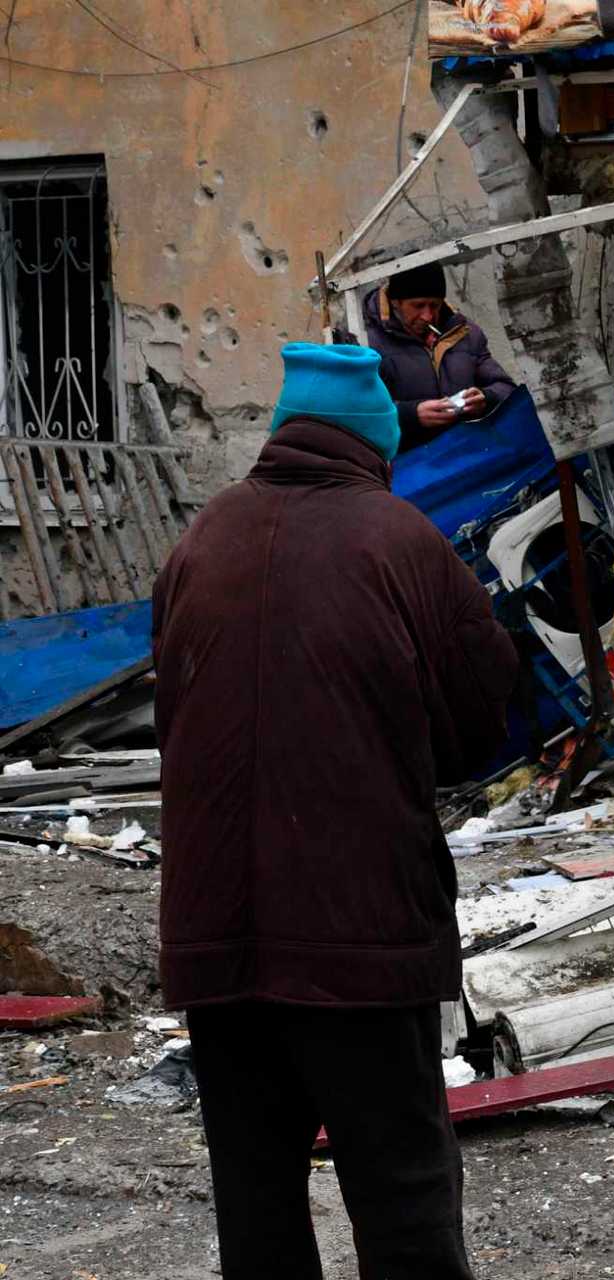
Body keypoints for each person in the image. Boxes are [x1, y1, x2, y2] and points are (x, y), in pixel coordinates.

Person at [152, 343, 519, 1279]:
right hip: (363, 942)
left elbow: (176, 722)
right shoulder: (403, 542)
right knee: (402, 1207)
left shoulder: (200, 542)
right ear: (376, 443)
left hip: (217, 942)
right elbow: (481, 728)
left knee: (258, 1204)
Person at [363, 261, 516, 453]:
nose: (427, 316)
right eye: (418, 306)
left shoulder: (465, 333)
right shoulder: (363, 341)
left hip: (469, 452)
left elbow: (506, 388)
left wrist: (486, 398)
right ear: (395, 302)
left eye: (434, 305)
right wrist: (410, 415)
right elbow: (356, 412)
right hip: (407, 464)